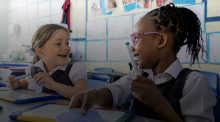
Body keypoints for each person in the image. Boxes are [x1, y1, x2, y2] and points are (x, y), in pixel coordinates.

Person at [69, 3, 217, 122]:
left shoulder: (194, 83)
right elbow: (115, 92)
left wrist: (160, 104)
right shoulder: (139, 75)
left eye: (137, 38)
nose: (132, 46)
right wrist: (94, 95)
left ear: (161, 40)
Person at [7, 24, 89, 100]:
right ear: (40, 52)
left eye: (67, 43)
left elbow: (85, 94)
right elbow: (26, 82)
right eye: (58, 43)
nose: (66, 47)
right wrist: (18, 84)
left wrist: (54, 85)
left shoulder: (74, 69)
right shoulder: (35, 69)